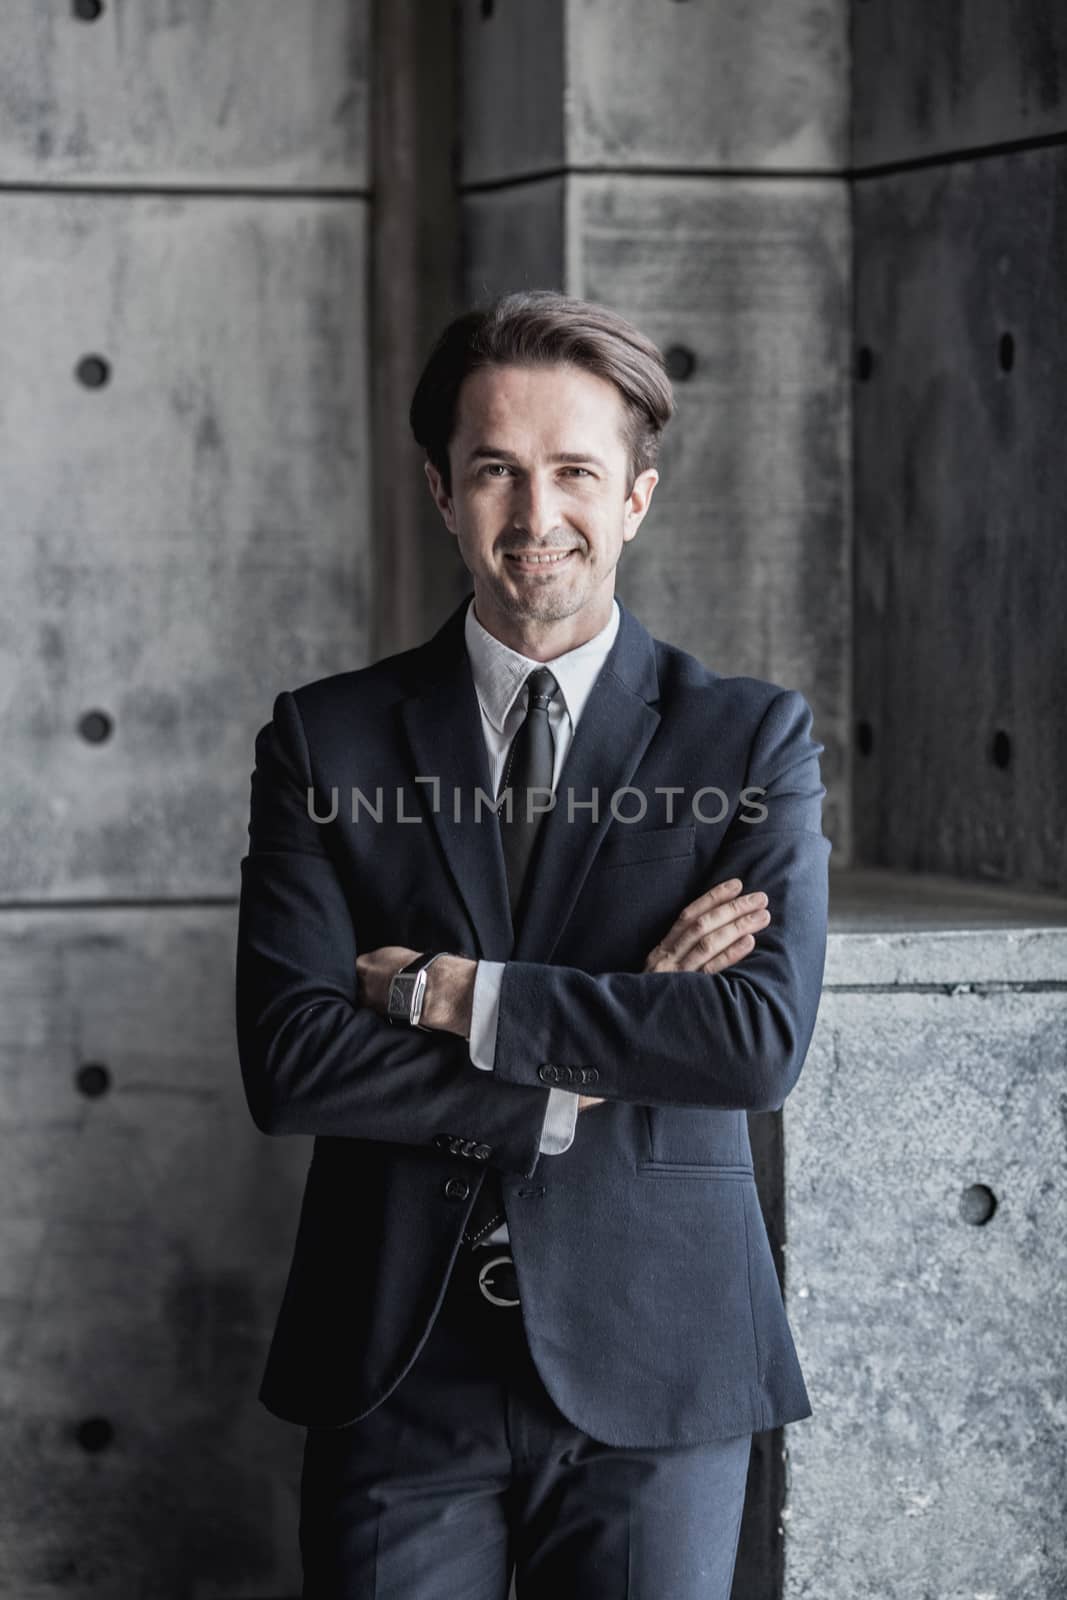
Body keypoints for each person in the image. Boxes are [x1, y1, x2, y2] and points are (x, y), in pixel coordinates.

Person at [235, 290, 831, 1599]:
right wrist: (604, 1044)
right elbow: (292, 1060)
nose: (534, 514)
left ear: (636, 497)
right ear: (441, 489)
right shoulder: (325, 742)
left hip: (660, 1366)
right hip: (397, 1361)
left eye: (574, 471)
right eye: (495, 470)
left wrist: (456, 994)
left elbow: (752, 1041)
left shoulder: (749, 742)